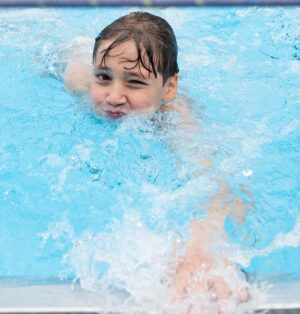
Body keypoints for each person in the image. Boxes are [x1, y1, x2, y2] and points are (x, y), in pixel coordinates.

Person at [63, 11, 248, 311]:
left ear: (169, 88)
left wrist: (205, 236)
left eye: (134, 82)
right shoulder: (81, 83)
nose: (113, 96)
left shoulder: (175, 118)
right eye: (104, 77)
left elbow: (218, 182)